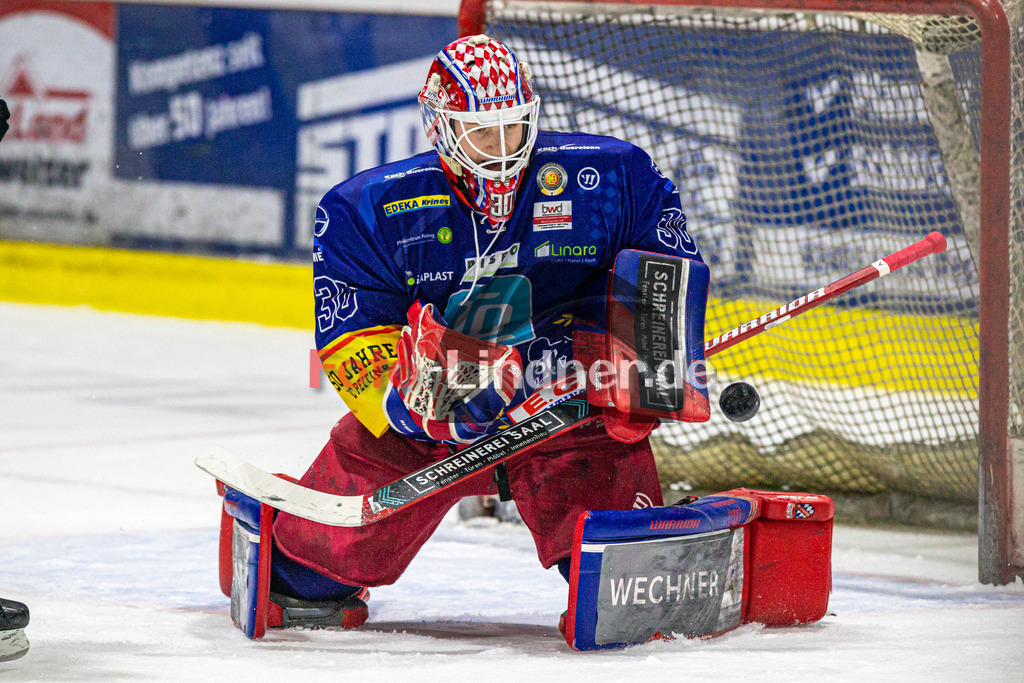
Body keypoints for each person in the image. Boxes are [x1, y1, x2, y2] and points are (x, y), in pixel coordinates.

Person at [223, 34, 706, 634]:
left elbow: (661, 287)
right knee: (306, 581)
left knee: (628, 583)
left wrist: (639, 378)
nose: (503, 151)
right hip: (426, 425)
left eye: (513, 128)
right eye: (482, 132)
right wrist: (417, 404)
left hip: (567, 413)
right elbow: (352, 343)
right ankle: (286, 543)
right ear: (440, 128)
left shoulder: (612, 178)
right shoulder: (367, 208)